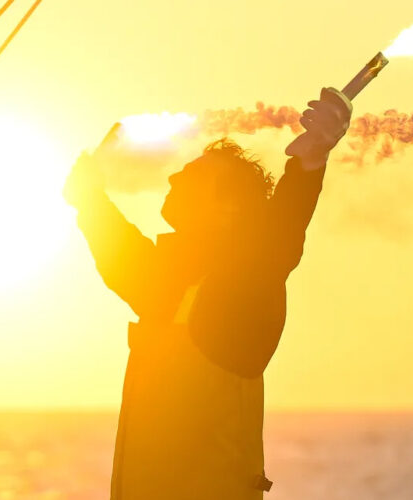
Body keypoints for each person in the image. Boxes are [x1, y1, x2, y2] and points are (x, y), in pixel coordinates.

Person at [63, 87, 352, 500]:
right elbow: (125, 259)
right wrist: (89, 200)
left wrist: (310, 162)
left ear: (230, 208)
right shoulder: (175, 288)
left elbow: (278, 236)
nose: (174, 176)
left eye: (195, 174)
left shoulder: (242, 289)